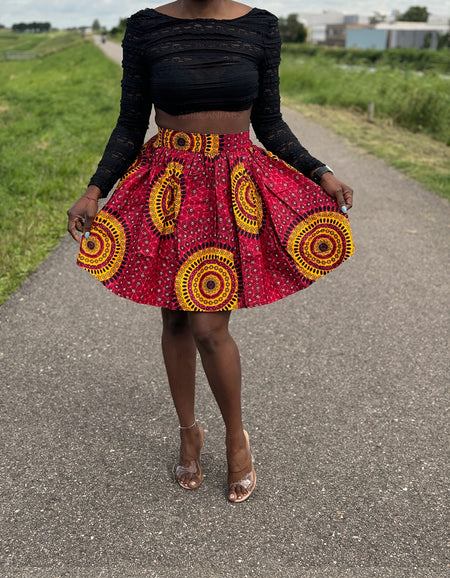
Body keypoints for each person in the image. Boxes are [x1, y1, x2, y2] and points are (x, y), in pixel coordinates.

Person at [67, 0, 354, 503]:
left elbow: (269, 121)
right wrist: (95, 190)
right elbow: (131, 124)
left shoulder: (261, 26)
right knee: (176, 320)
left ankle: (235, 437)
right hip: (168, 187)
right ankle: (188, 431)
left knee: (208, 325)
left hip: (231, 186)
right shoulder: (147, 27)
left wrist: (320, 171)